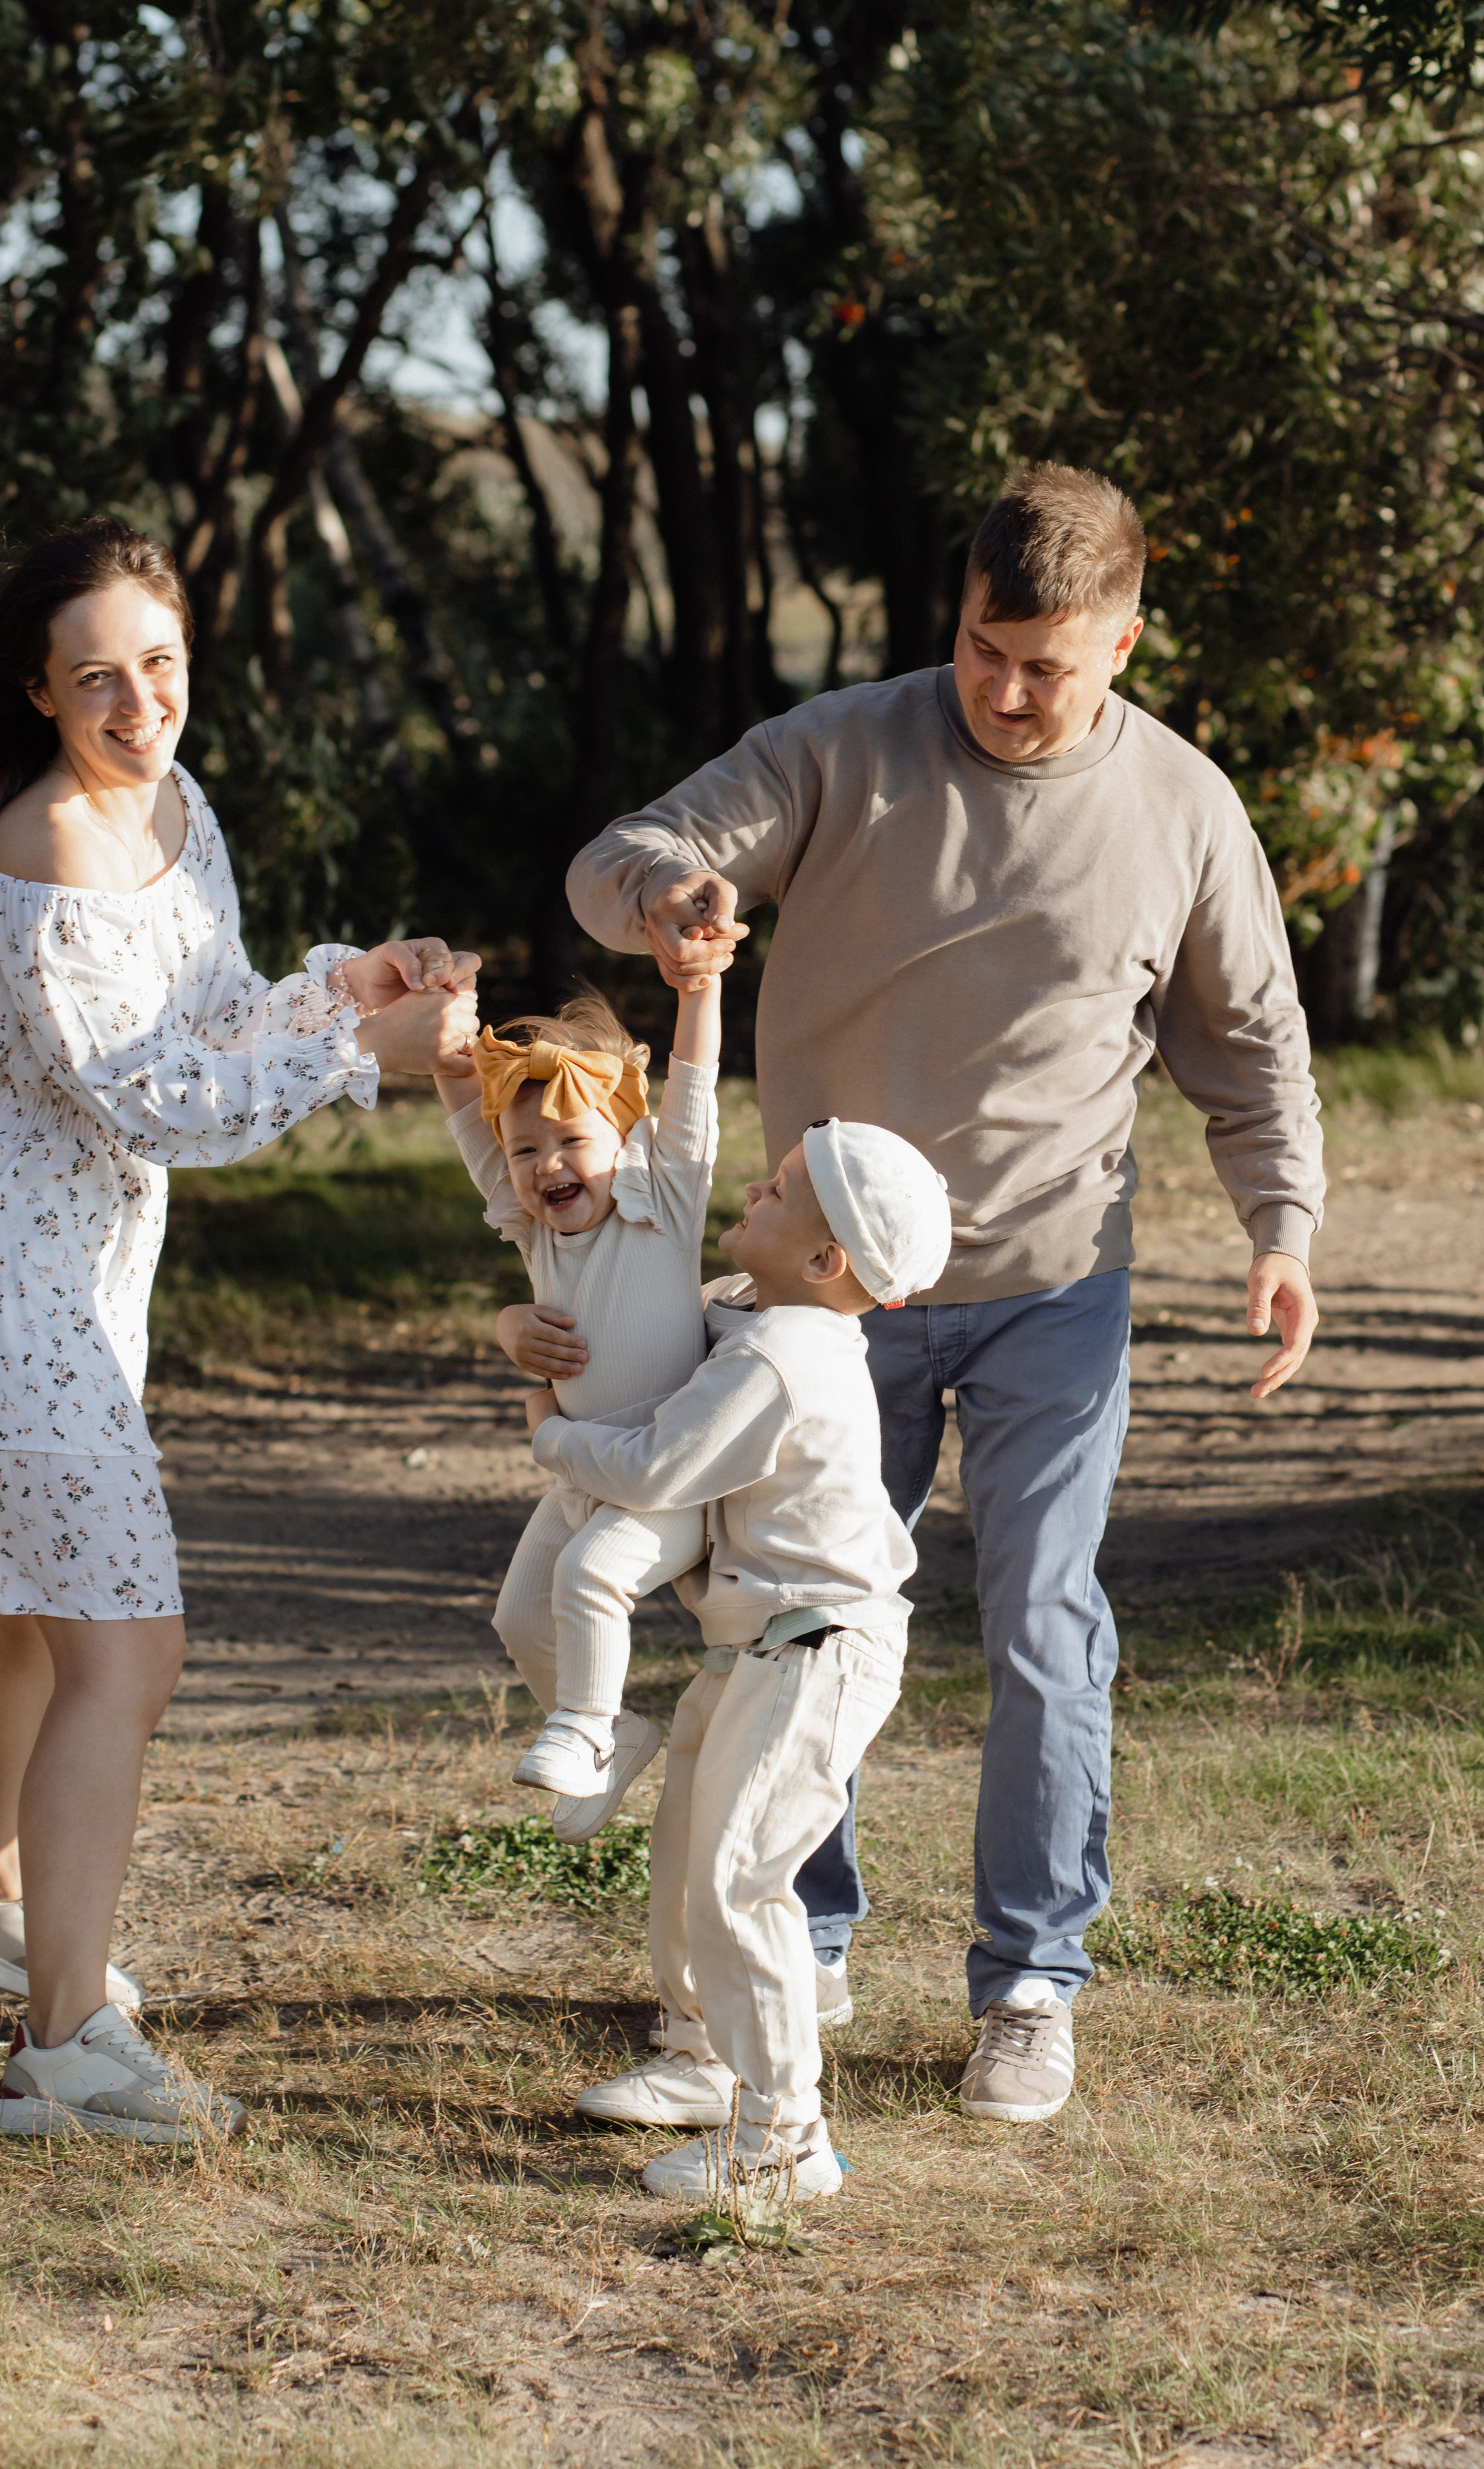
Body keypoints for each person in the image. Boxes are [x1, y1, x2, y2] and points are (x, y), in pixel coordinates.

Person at [565, 462, 1326, 2126]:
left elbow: (1253, 1043)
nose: (1003, 688)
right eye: (985, 646)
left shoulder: (1185, 808)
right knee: (789, 1617)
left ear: (1124, 640)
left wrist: (1282, 1230)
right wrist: (673, 900)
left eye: (1046, 663)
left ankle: (1031, 1979)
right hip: (829, 1311)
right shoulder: (844, 749)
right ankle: (806, 1931)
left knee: (1045, 1622)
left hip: (1057, 1286)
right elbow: (623, 854)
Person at [0, 518, 477, 2141]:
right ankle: (66, 2053)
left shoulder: (178, 808)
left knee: (32, 1602)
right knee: (127, 1640)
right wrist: (364, 1059)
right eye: (100, 679)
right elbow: (157, 1103)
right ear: (44, 692)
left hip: (70, 1270)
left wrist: (342, 991)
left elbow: (208, 1016)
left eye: (162, 666)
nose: (140, 705)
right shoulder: (48, 847)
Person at [533, 1120, 949, 2198]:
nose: (754, 1189)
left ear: (826, 1264)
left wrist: (549, 1430)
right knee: (685, 1863)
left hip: (815, 1651)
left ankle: (781, 2146)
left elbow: (658, 1466)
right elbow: (674, 1311)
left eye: (777, 1191)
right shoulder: (763, 1318)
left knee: (740, 1883)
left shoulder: (783, 1355)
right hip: (755, 1650)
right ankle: (703, 2061)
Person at [434, 944, 723, 1836]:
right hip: (582, 1475)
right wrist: (452, 1032)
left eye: (571, 1141)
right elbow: (468, 1120)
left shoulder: (664, 1202)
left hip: (669, 1474)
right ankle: (617, 1734)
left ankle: (584, 1725)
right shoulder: (536, 1233)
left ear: (628, 1140)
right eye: (527, 1150)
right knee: (521, 1617)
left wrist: (699, 989)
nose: (545, 1164)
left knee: (594, 1577)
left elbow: (695, 1090)